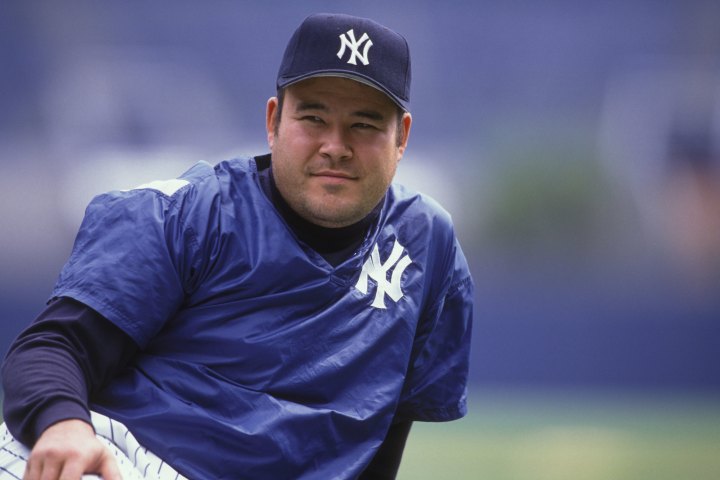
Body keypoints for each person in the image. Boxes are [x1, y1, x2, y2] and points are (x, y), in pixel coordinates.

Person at [0, 12, 474, 480]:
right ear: (274, 120)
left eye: (364, 125)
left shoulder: (428, 245)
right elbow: (52, 348)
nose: (335, 145)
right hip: (116, 454)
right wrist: (63, 424)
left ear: (402, 138)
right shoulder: (189, 213)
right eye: (313, 117)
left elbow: (386, 428)